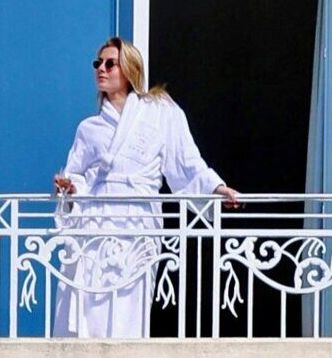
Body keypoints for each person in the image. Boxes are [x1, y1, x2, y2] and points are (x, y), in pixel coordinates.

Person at [51, 38, 238, 338]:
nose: (101, 69)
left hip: (137, 224)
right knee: (92, 306)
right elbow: (78, 177)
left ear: (128, 68)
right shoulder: (88, 128)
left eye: (110, 63)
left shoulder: (160, 111)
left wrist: (216, 188)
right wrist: (69, 187)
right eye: (97, 63)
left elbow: (186, 161)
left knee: (129, 307)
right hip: (96, 225)